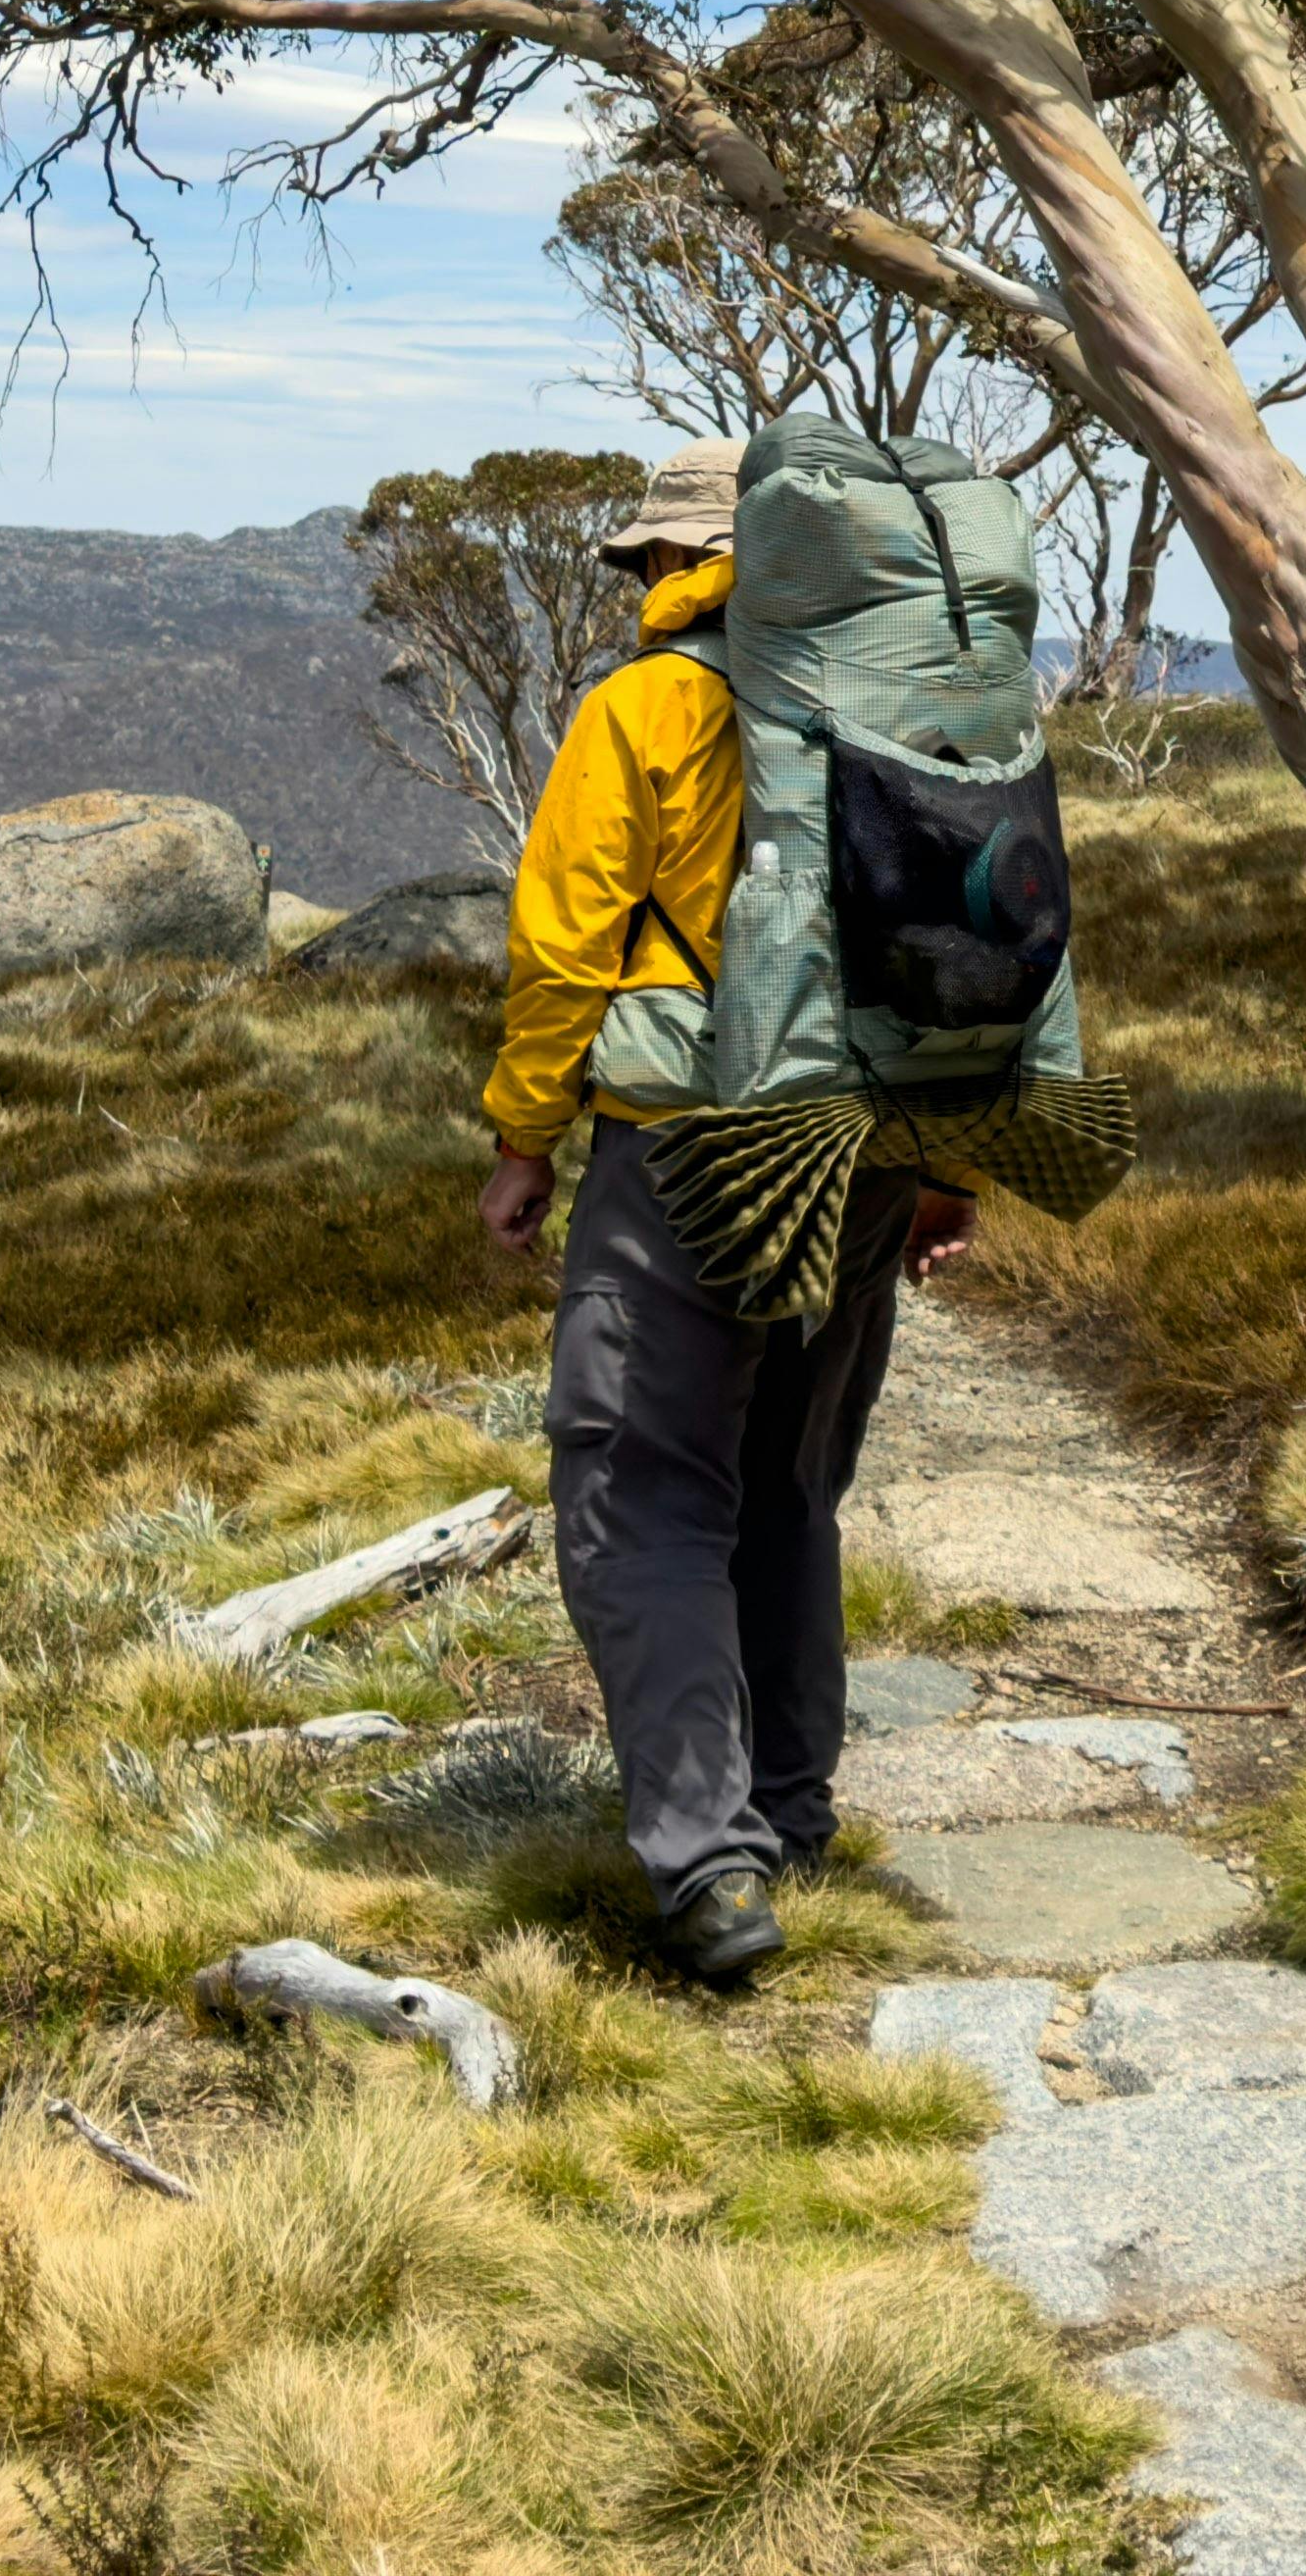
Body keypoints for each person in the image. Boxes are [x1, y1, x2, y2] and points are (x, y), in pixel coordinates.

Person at [475, 432, 980, 1986]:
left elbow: (565, 942)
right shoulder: (921, 698)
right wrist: (951, 1160)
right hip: (870, 1144)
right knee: (788, 1486)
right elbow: (1001, 931)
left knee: (646, 1490)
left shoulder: (649, 707)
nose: (636, 582)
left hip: (689, 1149)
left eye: (646, 559)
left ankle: (709, 1866)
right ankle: (792, 1815)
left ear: (688, 562)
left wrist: (526, 1135)